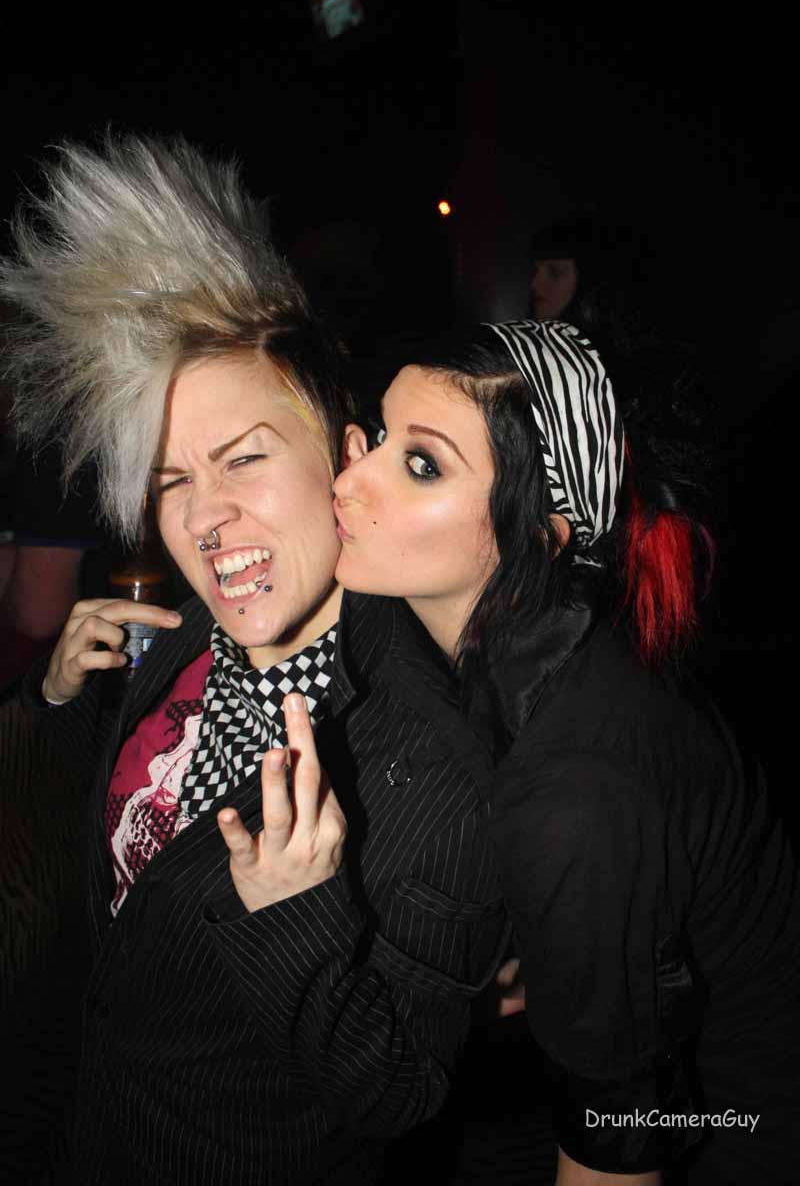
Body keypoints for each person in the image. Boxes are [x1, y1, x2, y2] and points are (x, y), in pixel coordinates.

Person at [0, 136, 508, 1185]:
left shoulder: (428, 764)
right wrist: (56, 702)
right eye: (172, 479)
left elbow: (402, 1094)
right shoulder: (186, 634)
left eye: (243, 461)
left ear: (344, 460)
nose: (204, 517)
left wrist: (295, 914)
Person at [332, 320, 800, 1185]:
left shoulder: (574, 785)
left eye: (422, 464)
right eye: (379, 434)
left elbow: (622, 1135)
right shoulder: (531, 651)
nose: (349, 478)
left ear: (544, 532)